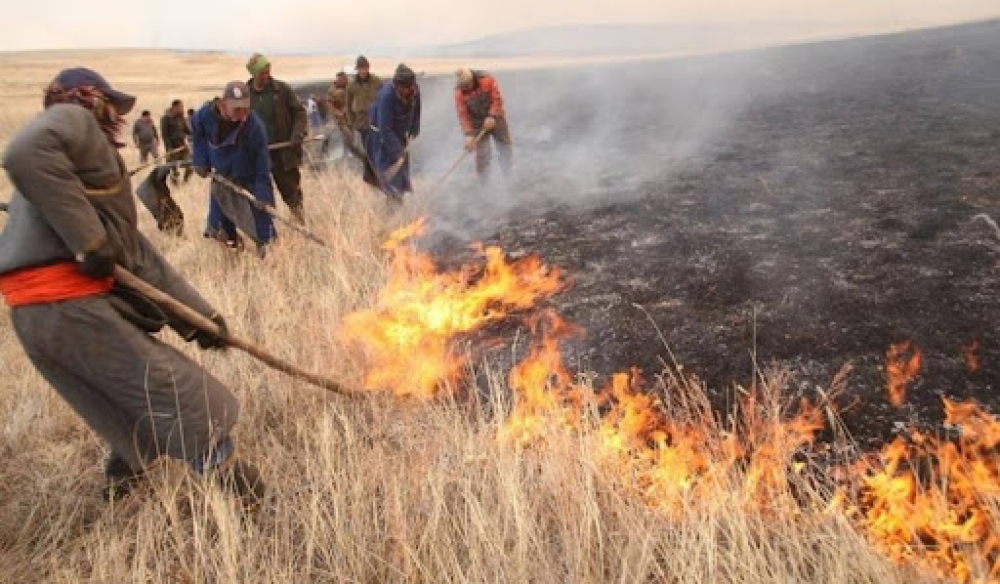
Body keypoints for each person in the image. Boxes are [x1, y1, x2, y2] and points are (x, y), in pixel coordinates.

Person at [0, 67, 264, 504]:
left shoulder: (76, 170)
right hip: (67, 306)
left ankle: (121, 489)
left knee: (123, 402)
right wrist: (89, 242)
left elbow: (138, 257)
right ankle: (245, 498)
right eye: (110, 105)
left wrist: (200, 320)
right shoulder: (75, 121)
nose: (115, 116)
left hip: (40, 316)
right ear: (90, 100)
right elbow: (23, 151)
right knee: (176, 392)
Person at [191, 81, 277, 258]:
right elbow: (197, 132)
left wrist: (263, 194)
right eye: (237, 110)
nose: (243, 115)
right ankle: (235, 252)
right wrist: (200, 159)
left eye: (246, 109)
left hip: (249, 178)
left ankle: (269, 257)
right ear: (223, 103)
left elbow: (262, 165)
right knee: (219, 228)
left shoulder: (255, 127)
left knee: (264, 230)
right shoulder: (204, 115)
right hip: (222, 178)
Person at [245, 53, 308, 224]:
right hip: (258, 156)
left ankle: (301, 223)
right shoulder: (245, 96)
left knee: (292, 194)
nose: (266, 76)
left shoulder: (282, 90)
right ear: (253, 74)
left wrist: (297, 134)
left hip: (283, 153)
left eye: (268, 72)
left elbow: (299, 113)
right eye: (262, 74)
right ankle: (267, 231)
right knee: (261, 197)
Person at [363, 64, 421, 200]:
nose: (406, 91)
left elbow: (417, 110)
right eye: (402, 88)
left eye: (409, 87)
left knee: (402, 170)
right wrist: (398, 151)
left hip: (399, 133)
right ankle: (392, 202)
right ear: (396, 85)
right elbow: (385, 129)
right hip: (380, 137)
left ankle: (399, 196)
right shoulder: (386, 96)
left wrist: (414, 128)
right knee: (388, 171)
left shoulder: (415, 90)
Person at [454, 68, 513, 181]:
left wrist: (492, 115)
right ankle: (484, 183)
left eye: (467, 85)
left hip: (496, 118)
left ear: (472, 80)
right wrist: (469, 134)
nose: (466, 88)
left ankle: (508, 175)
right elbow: (463, 114)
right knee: (482, 155)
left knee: (505, 146)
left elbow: (497, 99)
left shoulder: (487, 79)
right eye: (463, 86)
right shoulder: (459, 92)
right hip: (476, 123)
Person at [346, 55, 383, 145]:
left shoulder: (377, 81)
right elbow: (348, 105)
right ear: (357, 69)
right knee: (366, 146)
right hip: (361, 121)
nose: (363, 71)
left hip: (376, 119)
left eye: (364, 68)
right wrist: (352, 122)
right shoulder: (351, 85)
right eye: (360, 68)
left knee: (378, 145)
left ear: (368, 68)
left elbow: (384, 100)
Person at [160, 98, 193, 183]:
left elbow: (188, 130)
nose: (182, 108)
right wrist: (169, 148)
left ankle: (185, 182)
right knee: (173, 168)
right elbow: (165, 135)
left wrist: (197, 135)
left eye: (182, 107)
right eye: (181, 107)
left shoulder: (182, 118)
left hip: (182, 146)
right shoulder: (166, 118)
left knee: (191, 164)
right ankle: (175, 185)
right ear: (175, 107)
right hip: (172, 148)